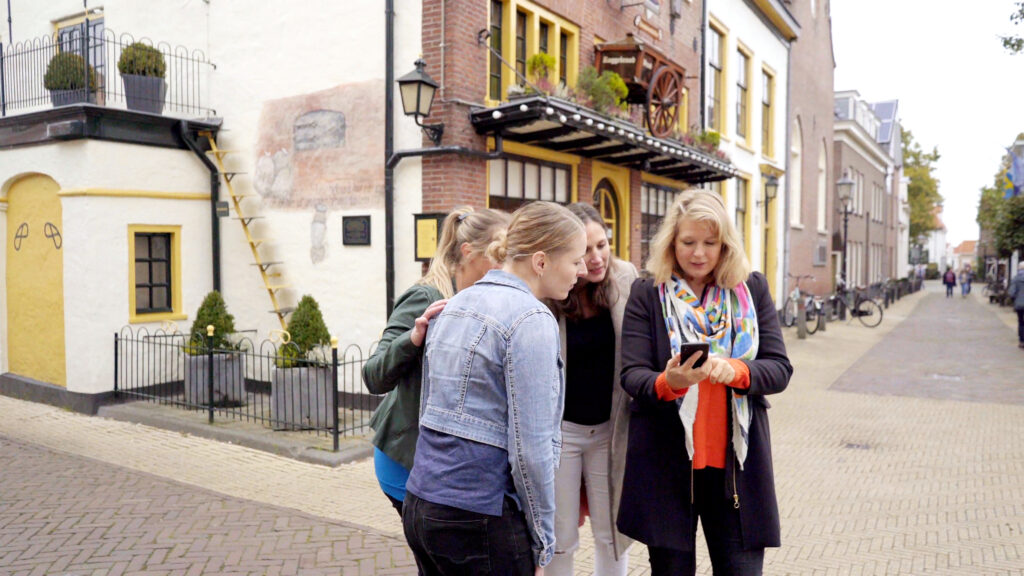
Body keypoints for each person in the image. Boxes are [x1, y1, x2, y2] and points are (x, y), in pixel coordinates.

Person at [402, 201, 588, 575]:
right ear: (541, 261)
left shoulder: (454, 305)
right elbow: (530, 451)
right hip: (481, 517)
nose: (582, 271)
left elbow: (428, 414)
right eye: (575, 260)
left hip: (422, 503)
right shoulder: (531, 319)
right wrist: (543, 539)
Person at [617, 189, 793, 576]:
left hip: (736, 469)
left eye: (710, 243)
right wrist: (670, 381)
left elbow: (779, 368)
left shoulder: (751, 290)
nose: (698, 253)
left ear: (725, 244)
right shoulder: (648, 294)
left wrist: (738, 371)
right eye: (688, 242)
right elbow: (632, 374)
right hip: (667, 465)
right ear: (671, 243)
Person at [362, 206, 510, 517]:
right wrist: (414, 337)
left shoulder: (483, 299)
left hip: (441, 463)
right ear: (468, 252)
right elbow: (374, 376)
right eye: (498, 254)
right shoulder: (426, 297)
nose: (506, 265)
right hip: (406, 459)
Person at [547, 203, 637, 576]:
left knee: (611, 534)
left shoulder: (626, 278)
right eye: (585, 250)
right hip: (561, 432)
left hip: (608, 432)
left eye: (602, 245)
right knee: (560, 536)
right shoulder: (552, 288)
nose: (597, 258)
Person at [1009, 261, 1024, 349]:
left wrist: (1014, 299)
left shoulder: (1016, 278)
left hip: (1019, 304)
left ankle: (1022, 341)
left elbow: (1012, 293)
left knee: (1021, 322)